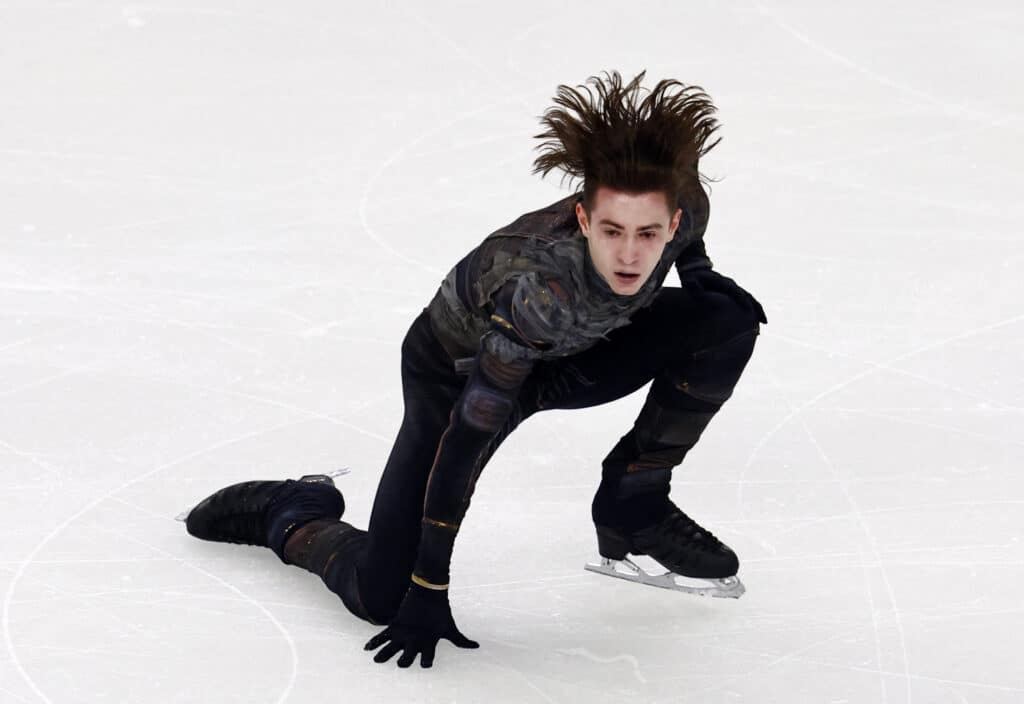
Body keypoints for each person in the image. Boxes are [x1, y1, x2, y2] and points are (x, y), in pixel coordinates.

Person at [181, 69, 767, 669]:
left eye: (649, 234)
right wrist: (430, 587)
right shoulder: (538, 290)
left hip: (572, 352)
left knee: (726, 316)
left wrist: (696, 275)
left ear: (673, 222)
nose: (630, 254)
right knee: (385, 595)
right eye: (612, 231)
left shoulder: (683, 203)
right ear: (583, 219)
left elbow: (689, 229)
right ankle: (291, 513)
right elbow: (466, 439)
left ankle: (634, 503)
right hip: (456, 376)